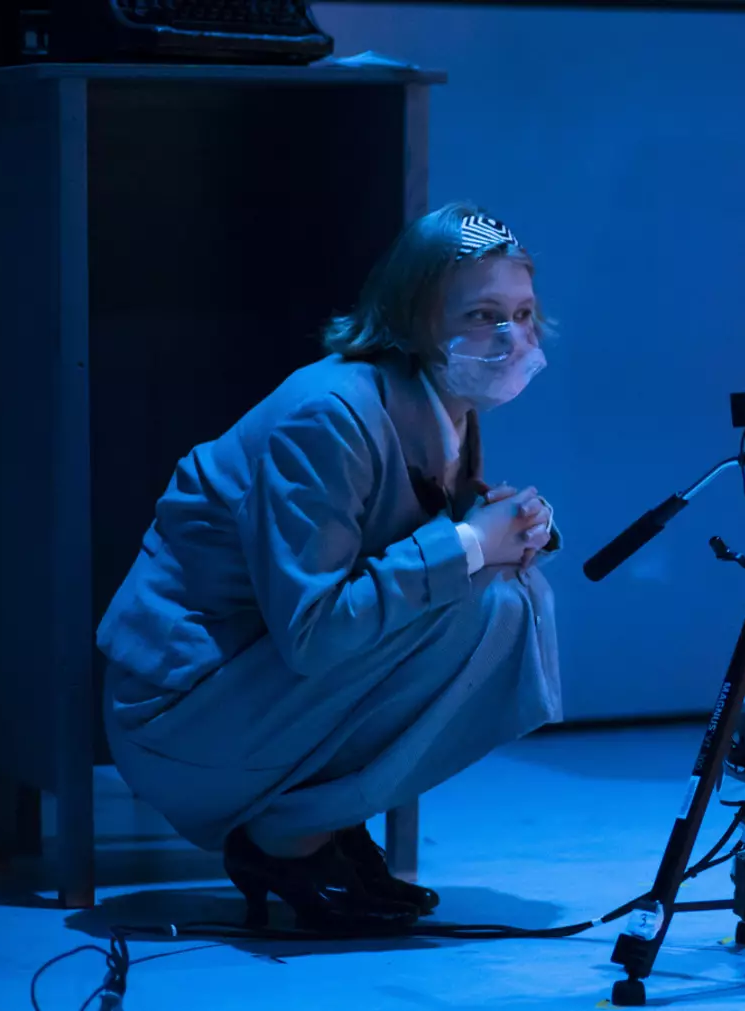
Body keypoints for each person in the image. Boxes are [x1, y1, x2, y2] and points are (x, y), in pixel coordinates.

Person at [96, 203, 563, 931]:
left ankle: (313, 829)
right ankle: (288, 837)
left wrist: (504, 530)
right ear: (414, 319)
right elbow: (312, 629)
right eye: (481, 315)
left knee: (507, 590)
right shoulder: (329, 414)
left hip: (261, 690)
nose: (512, 337)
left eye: (524, 311)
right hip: (184, 719)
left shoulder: (444, 402)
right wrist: (471, 543)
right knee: (488, 602)